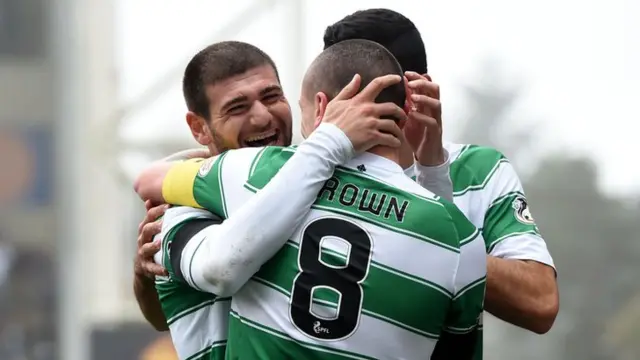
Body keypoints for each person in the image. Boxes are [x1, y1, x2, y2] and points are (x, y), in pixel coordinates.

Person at [137, 39, 486, 359]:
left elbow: (151, 178)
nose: (262, 116)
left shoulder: (269, 171)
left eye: (272, 96)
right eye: (238, 107)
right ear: (199, 127)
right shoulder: (189, 204)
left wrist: (427, 164)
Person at [323, 7, 560, 357]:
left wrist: (431, 171)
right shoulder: (314, 169)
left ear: (415, 89)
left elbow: (539, 302)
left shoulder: (480, 170)